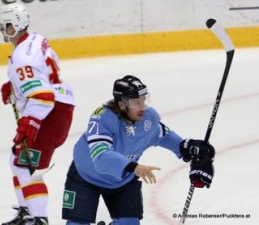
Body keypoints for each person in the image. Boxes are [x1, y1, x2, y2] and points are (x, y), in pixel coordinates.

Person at [61, 75, 215, 225]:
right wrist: (135, 167)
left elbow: (164, 136)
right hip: (86, 177)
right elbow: (101, 159)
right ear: (122, 104)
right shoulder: (103, 118)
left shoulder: (148, 118)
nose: (142, 107)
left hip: (122, 180)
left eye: (144, 100)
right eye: (136, 103)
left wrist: (190, 148)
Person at [0, 3, 75, 225]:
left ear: (18, 24)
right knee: (17, 158)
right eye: (3, 26)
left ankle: (39, 219)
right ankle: (28, 212)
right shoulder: (35, 39)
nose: (4, 31)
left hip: (50, 113)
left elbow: (42, 97)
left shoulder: (22, 57)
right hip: (59, 107)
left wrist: (29, 125)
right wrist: (16, 87)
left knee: (26, 165)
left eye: (8, 26)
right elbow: (44, 76)